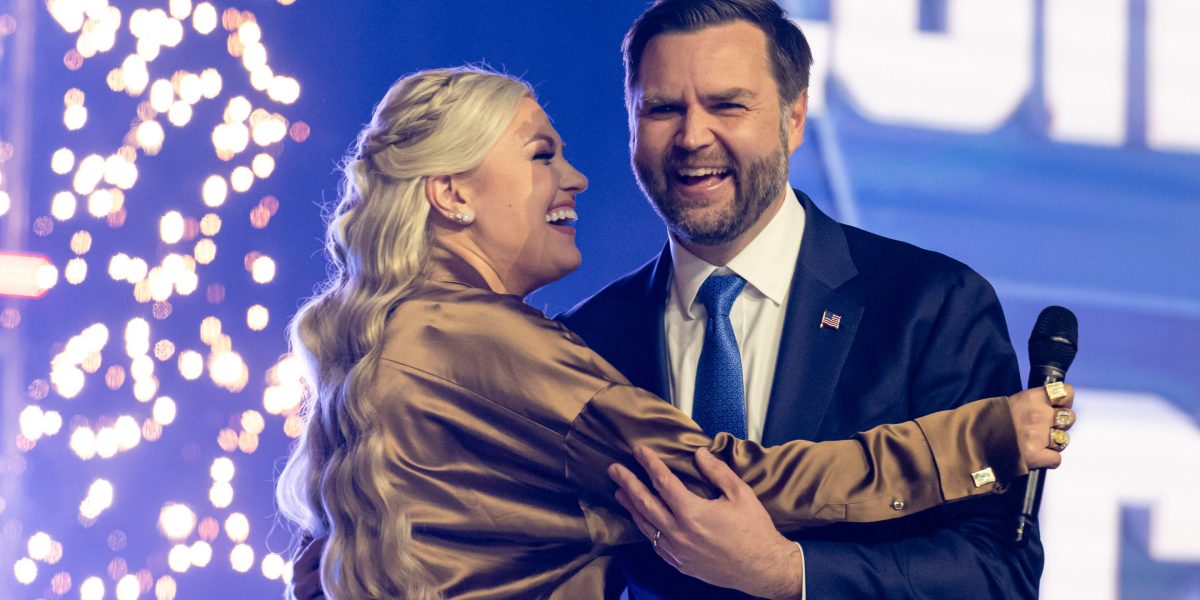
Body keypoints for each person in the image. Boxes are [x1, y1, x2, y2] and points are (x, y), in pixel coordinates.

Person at [276, 66, 1074, 600]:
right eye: (541, 155)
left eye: (728, 104)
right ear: (451, 194)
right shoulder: (509, 341)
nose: (574, 177)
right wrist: (979, 441)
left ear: (793, 116)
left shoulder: (384, 344)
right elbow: (722, 487)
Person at [558, 0, 1044, 598]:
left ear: (794, 119)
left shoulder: (931, 307)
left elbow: (1000, 575)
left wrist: (789, 573)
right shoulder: (584, 343)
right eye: (662, 109)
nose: (691, 136)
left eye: (727, 105)